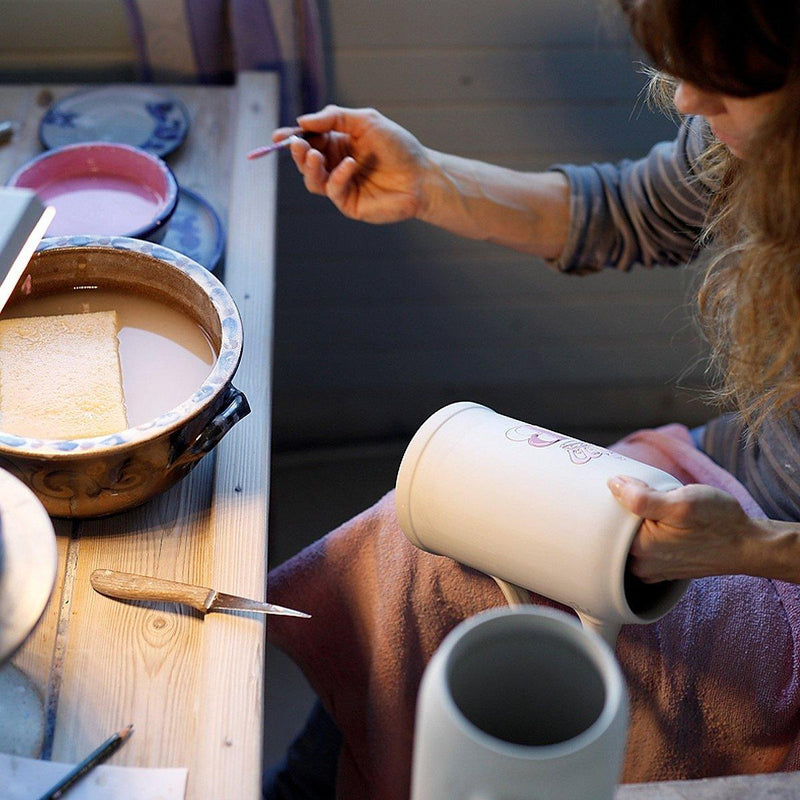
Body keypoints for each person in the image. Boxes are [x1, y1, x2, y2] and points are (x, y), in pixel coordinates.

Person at [263, 1, 800, 798]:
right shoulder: (757, 125)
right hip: (734, 480)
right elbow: (634, 209)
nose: (689, 101)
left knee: (437, 579)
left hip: (774, 552)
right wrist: (429, 182)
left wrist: (750, 550)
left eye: (726, 86)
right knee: (418, 544)